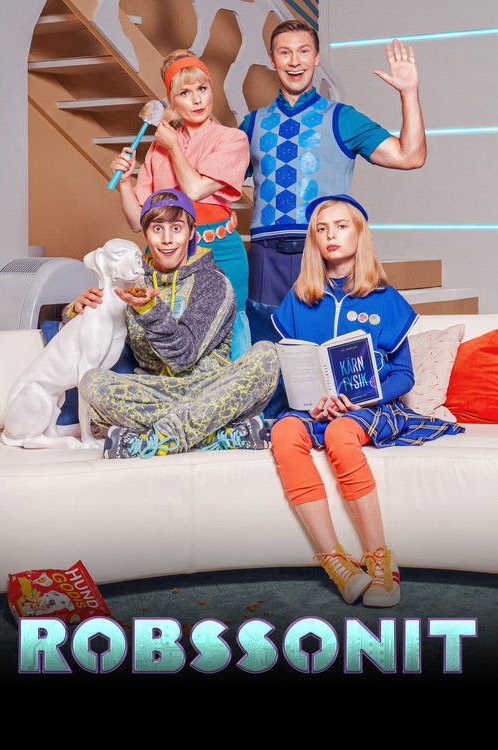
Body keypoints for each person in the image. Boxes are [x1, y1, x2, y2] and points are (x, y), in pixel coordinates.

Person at [270, 195, 463, 606]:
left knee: (340, 434)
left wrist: (362, 399)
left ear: (359, 233)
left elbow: (404, 376)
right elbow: (291, 368)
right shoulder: (299, 297)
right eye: (322, 229)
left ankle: (380, 559)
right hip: (313, 410)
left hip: (368, 409)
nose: (331, 235)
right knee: (284, 433)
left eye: (341, 226)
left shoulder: (384, 298)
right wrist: (307, 403)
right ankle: (335, 561)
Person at [239, 19, 426, 347]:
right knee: (264, 353)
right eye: (285, 52)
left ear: (316, 57)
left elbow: (410, 156)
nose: (294, 61)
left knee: (326, 350)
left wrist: (409, 93)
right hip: (266, 257)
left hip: (323, 252)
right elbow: (213, 183)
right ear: (272, 60)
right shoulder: (252, 124)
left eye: (303, 51)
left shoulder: (342, 117)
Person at [72, 190, 279, 459]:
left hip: (211, 388)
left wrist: (149, 310)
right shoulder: (131, 282)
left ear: (192, 232)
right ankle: (217, 432)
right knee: (92, 383)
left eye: (177, 228)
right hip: (156, 391)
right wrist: (76, 309)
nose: (167, 239)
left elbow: (183, 356)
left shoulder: (214, 283)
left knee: (266, 356)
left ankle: (162, 438)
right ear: (146, 234)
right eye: (157, 228)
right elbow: (97, 326)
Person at [110, 50, 251, 358]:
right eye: (185, 93)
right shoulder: (157, 150)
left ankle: (239, 387)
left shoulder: (232, 139)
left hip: (221, 250)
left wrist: (173, 145)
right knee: (170, 324)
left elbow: (195, 189)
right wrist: (124, 183)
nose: (197, 99)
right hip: (167, 252)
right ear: (172, 102)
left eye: (203, 88)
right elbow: (136, 222)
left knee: (231, 325)